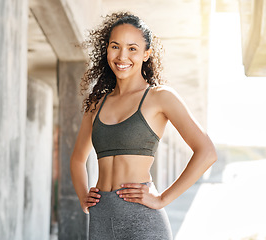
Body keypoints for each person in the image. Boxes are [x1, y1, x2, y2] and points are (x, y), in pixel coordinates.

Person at [70, 12, 217, 240]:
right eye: (115, 46)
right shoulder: (96, 106)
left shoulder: (160, 97)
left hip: (142, 221)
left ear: (146, 54)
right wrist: (83, 197)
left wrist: (162, 199)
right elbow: (78, 159)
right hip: (101, 220)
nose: (122, 56)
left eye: (132, 48)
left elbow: (207, 152)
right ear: (106, 49)